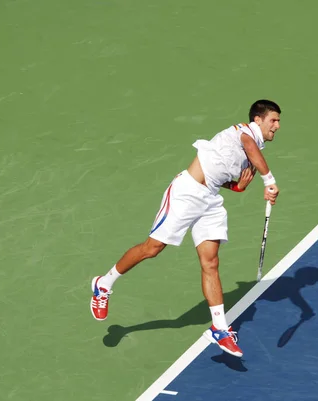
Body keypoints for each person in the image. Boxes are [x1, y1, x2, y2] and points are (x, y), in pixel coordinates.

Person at [90, 99, 281, 357]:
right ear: (257, 120)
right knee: (152, 248)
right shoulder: (243, 133)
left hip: (210, 200)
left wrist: (237, 187)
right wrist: (268, 181)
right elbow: (249, 147)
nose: (277, 126)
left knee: (210, 262)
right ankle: (104, 283)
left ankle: (219, 328)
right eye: (273, 120)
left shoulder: (249, 155)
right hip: (187, 193)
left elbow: (219, 174)